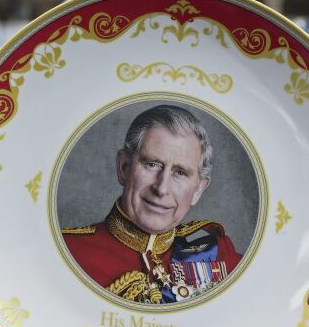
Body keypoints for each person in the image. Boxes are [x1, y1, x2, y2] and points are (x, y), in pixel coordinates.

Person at [63, 105, 241, 304]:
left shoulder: (218, 256)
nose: (162, 188)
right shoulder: (66, 251)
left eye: (180, 173)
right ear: (123, 168)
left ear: (198, 190)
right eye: (152, 164)